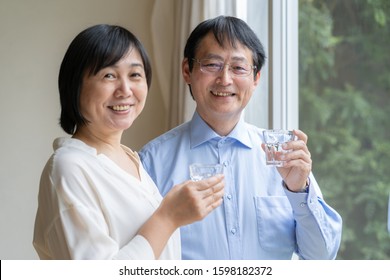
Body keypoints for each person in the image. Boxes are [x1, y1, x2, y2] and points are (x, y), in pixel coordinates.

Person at [139, 16, 343, 260]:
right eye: (212, 64)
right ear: (187, 71)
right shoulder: (151, 162)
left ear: (255, 78)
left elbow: (321, 257)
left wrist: (299, 190)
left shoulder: (284, 158)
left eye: (238, 68)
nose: (225, 79)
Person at [33, 24, 224, 260]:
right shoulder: (68, 168)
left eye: (135, 75)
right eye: (109, 75)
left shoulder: (130, 159)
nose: (125, 90)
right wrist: (168, 216)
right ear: (75, 85)